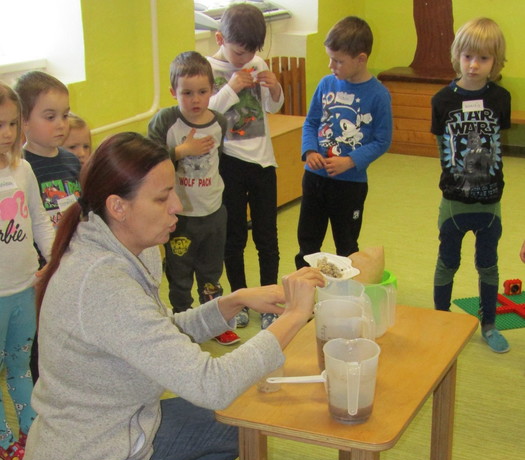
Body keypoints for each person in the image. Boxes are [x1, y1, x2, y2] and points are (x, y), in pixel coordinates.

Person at [18, 132, 324, 460]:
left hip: (123, 439)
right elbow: (209, 383)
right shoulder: (100, 280)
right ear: (118, 206)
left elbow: (155, 336)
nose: (177, 207)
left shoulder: (123, 244)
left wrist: (231, 302)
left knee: (242, 419)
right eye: (163, 198)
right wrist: (292, 319)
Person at [148, 51, 239, 346]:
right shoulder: (166, 121)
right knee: (180, 271)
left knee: (211, 271)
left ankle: (214, 321)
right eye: (186, 93)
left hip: (212, 213)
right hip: (180, 216)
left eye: (202, 92)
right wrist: (181, 152)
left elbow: (217, 161)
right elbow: (148, 161)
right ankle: (183, 321)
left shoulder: (219, 122)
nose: (195, 99)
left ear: (212, 90)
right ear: (173, 92)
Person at [431, 18, 511, 353]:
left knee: (488, 264)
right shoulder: (442, 100)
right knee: (447, 261)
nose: (474, 65)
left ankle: (489, 324)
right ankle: (440, 320)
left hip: (489, 203)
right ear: (457, 56)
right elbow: (441, 148)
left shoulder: (501, 98)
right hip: (454, 202)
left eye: (483, 58)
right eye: (467, 57)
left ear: (496, 61)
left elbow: (498, 144)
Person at [207, 2, 284, 330]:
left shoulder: (257, 62)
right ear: (219, 39)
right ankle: (239, 299)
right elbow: (207, 113)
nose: (245, 59)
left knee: (267, 236)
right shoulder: (208, 68)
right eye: (239, 52)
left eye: (251, 52)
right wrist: (232, 87)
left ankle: (270, 302)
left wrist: (275, 87)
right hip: (229, 164)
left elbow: (273, 107)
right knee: (234, 236)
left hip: (263, 162)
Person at [294, 16, 392, 269]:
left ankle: (346, 290)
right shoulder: (326, 84)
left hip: (350, 184)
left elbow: (382, 140)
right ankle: (305, 288)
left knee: (347, 245)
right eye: (330, 58)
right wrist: (310, 151)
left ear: (361, 59)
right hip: (315, 178)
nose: (331, 66)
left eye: (338, 61)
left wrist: (350, 161)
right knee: (307, 243)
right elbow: (311, 122)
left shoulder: (379, 95)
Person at [0, 82, 54, 460]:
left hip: (24, 289)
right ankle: (4, 440)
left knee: (20, 365)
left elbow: (39, 221)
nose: (6, 133)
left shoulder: (23, 169)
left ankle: (31, 429)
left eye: (12, 123)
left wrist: (56, 259)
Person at [15, 71, 82, 382]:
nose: (61, 124)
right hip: (39, 270)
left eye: (64, 115)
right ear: (24, 121)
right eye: (50, 116)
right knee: (40, 340)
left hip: (71, 261)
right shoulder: (19, 167)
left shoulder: (70, 160)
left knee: (71, 333)